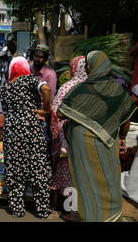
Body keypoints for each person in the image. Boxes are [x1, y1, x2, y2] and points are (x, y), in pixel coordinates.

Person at [57, 51, 137, 222]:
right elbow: (127, 115)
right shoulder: (117, 89)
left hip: (82, 144)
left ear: (92, 67)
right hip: (107, 143)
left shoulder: (81, 89)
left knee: (85, 180)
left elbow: (61, 113)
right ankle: (110, 215)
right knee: (108, 178)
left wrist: (84, 115)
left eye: (88, 64)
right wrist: (122, 136)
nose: (86, 67)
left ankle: (89, 216)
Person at [0, 56, 56, 219]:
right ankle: (43, 210)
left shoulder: (5, 87)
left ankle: (16, 208)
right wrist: (45, 109)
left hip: (11, 130)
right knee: (38, 166)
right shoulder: (30, 80)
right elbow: (46, 89)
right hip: (31, 128)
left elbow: (5, 110)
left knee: (15, 168)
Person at [49, 56, 87, 220]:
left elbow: (55, 112)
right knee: (79, 172)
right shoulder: (91, 87)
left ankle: (66, 209)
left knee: (65, 172)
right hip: (86, 138)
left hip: (66, 136)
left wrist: (56, 134)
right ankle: (76, 209)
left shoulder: (67, 87)